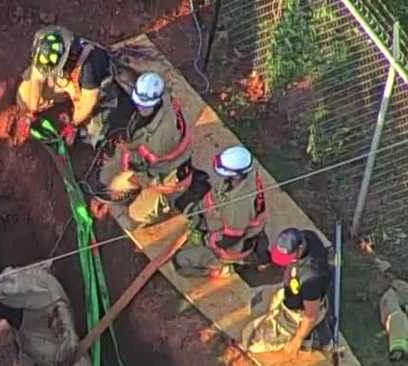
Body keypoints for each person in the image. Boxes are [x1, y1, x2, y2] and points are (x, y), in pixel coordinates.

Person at [90, 72, 195, 226]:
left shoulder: (161, 138)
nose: (139, 107)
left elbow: (149, 175)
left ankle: (168, 203)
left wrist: (123, 183)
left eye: (143, 105)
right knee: (106, 176)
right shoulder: (159, 99)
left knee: (136, 213)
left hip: (166, 174)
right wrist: (110, 194)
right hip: (146, 160)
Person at [16, 25, 133, 146]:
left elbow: (89, 102)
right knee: (24, 97)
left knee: (94, 132)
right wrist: (31, 112)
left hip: (90, 88)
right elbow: (36, 80)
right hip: (67, 77)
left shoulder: (90, 67)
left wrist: (73, 124)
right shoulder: (48, 47)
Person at [175, 145, 270, 279]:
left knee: (180, 261)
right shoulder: (245, 178)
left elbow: (229, 238)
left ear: (236, 174)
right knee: (183, 202)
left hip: (225, 247)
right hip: (218, 227)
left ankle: (222, 268)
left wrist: (204, 238)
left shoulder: (238, 205)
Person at [241, 228, 334, 356]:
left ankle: (317, 341)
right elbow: (292, 264)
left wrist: (297, 340)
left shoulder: (310, 278)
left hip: (301, 312)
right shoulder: (307, 236)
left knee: (257, 344)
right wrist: (287, 277)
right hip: (297, 294)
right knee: (258, 303)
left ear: (300, 249)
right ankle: (319, 338)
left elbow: (311, 315)